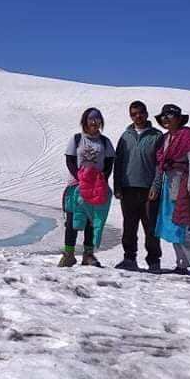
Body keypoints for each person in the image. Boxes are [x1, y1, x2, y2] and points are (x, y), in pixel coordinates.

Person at [149, 103, 190, 277]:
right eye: (163, 116)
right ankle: (182, 263)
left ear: (179, 118)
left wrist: (189, 189)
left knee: (181, 229)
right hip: (169, 188)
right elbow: (161, 165)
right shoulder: (166, 138)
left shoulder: (189, 137)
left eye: (169, 115)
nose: (165, 119)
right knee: (172, 228)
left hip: (183, 189)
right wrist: (156, 186)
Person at [59, 107, 115, 268]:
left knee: (91, 220)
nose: (94, 122)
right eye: (91, 119)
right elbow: (70, 160)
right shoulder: (77, 139)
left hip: (96, 187)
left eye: (97, 119)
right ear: (85, 121)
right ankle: (69, 254)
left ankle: (88, 254)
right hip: (76, 186)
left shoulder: (105, 142)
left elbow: (109, 162)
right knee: (72, 221)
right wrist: (80, 178)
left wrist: (102, 178)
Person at [112, 101, 163, 272]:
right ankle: (129, 259)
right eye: (134, 114)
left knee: (151, 227)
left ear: (147, 114)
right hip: (127, 189)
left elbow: (160, 165)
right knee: (129, 226)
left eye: (140, 113)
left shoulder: (157, 136)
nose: (137, 116)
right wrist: (117, 185)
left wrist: (156, 186)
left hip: (149, 190)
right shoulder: (126, 136)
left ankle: (154, 261)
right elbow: (118, 162)